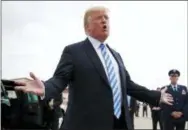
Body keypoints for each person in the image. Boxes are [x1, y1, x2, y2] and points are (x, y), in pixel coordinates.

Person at [14, 6, 173, 130]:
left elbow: (128, 86)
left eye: (106, 18)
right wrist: (46, 88)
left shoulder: (116, 56)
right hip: (87, 124)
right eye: (99, 18)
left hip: (119, 124)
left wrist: (156, 96)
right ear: (87, 27)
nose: (104, 21)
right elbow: (60, 79)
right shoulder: (74, 51)